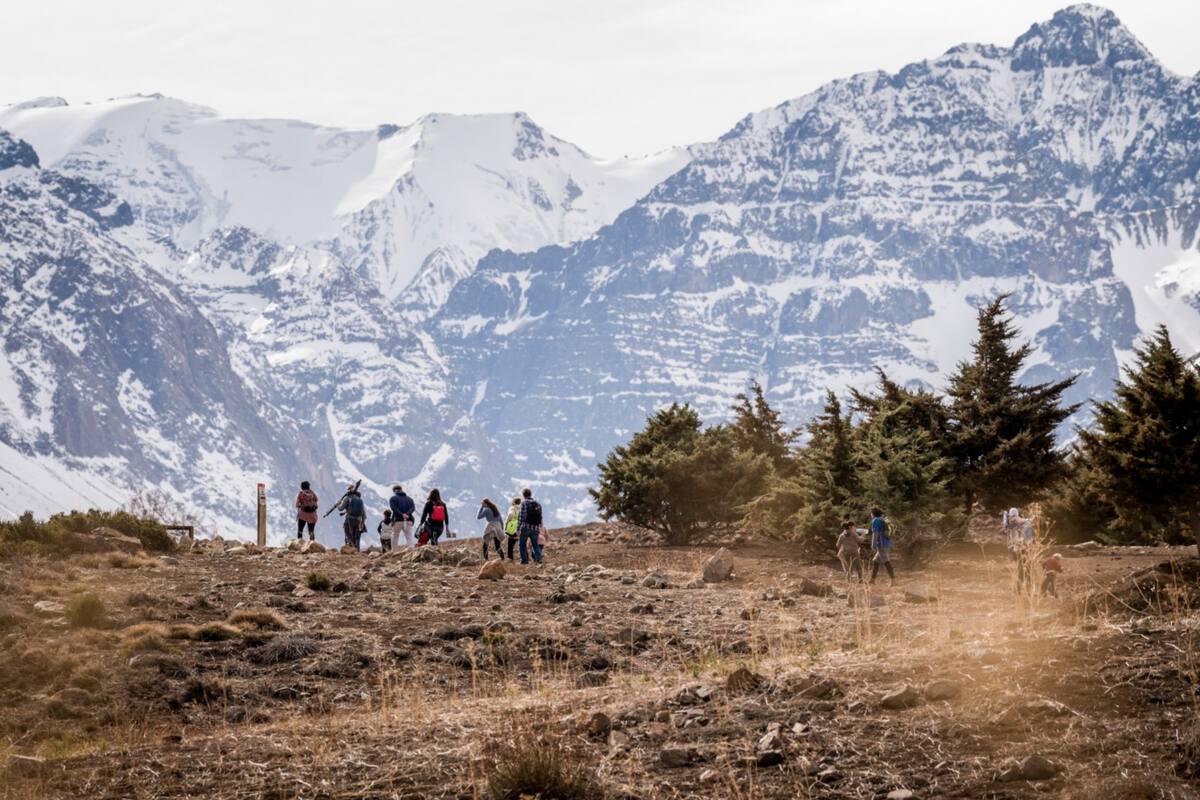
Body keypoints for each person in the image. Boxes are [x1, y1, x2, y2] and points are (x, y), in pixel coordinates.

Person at [1006, 507, 1033, 592]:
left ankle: (1022, 589)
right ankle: (1021, 589)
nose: (1013, 520)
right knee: (1024, 569)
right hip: (1018, 550)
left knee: (1026, 570)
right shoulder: (1011, 526)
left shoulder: (1025, 523)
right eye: (1011, 518)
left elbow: (1028, 538)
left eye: (1013, 518)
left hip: (1024, 549)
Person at [516, 487, 544, 565]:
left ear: (523, 495)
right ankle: (538, 559)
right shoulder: (538, 504)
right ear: (530, 494)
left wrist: (518, 528)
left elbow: (521, 517)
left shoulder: (524, 503)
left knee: (522, 544)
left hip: (526, 527)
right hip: (536, 528)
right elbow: (540, 517)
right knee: (535, 544)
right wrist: (540, 527)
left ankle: (524, 561)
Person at [868, 506, 895, 586]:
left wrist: (873, 545)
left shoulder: (875, 520)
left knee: (886, 561)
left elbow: (875, 534)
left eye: (871, 513)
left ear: (873, 514)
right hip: (886, 543)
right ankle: (872, 580)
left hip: (881, 544)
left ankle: (893, 580)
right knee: (875, 561)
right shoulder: (883, 519)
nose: (870, 514)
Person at [338, 484, 366, 551]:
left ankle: (350, 549)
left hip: (349, 520)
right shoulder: (360, 500)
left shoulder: (347, 498)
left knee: (348, 535)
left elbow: (340, 508)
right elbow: (363, 514)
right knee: (356, 537)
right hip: (358, 521)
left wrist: (338, 504)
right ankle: (357, 550)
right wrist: (362, 523)